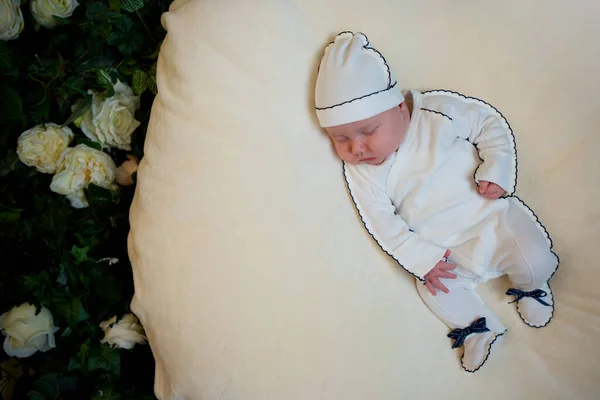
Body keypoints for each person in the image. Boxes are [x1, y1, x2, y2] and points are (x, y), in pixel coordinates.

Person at [314, 31, 559, 372]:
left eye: (368, 131)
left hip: (492, 219)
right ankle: (478, 328)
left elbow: (489, 125)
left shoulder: (436, 112)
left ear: (400, 109)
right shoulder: (361, 173)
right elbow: (383, 223)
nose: (356, 148)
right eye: (340, 138)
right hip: (445, 250)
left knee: (534, 257)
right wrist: (422, 258)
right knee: (433, 288)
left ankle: (531, 286)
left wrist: (497, 167)